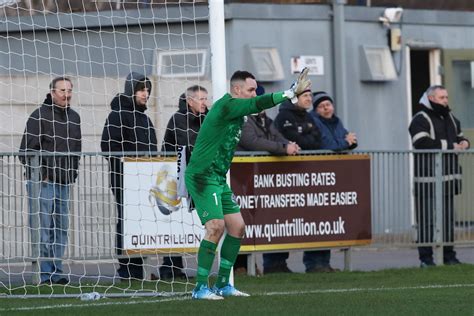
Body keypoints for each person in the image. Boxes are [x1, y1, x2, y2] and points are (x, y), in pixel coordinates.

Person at [185, 69, 310, 300]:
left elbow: (257, 113)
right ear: (237, 90)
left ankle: (223, 285)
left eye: (255, 90)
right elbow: (258, 104)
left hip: (218, 177)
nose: (254, 94)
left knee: (238, 227)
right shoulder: (227, 105)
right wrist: (289, 93)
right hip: (202, 175)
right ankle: (200, 288)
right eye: (250, 90)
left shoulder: (239, 112)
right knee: (215, 226)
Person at [19, 77, 82, 285]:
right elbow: (25, 151)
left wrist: (72, 172)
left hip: (64, 182)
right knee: (43, 228)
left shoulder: (74, 117)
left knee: (61, 228)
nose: (67, 94)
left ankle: (57, 271)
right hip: (43, 183)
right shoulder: (38, 116)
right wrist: (42, 172)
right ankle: (44, 273)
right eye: (62, 90)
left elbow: (76, 149)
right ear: (52, 92)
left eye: (70, 90)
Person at [235, 85, 300, 275]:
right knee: (241, 219)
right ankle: (240, 264)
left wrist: (288, 145)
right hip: (242, 177)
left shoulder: (266, 120)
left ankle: (264, 263)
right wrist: (282, 148)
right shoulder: (244, 120)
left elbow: (277, 137)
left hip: (260, 178)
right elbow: (252, 142)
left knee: (264, 219)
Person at [275, 88, 340, 273]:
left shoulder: (308, 117)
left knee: (318, 218)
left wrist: (306, 140)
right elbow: (296, 139)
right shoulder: (284, 117)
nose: (309, 99)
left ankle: (319, 263)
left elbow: (317, 141)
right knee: (280, 220)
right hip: (287, 177)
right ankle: (275, 264)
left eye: (310, 96)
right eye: (305, 96)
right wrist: (305, 139)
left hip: (312, 177)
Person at [101, 72, 158, 279]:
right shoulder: (117, 115)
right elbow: (108, 146)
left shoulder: (145, 118)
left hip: (145, 182)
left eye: (148, 90)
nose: (146, 94)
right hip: (124, 180)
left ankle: (139, 265)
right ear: (131, 91)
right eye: (142, 90)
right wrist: (131, 163)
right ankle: (126, 267)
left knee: (142, 222)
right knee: (126, 221)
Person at [409, 85, 469, 267]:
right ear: (432, 99)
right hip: (427, 179)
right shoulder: (420, 118)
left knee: (448, 220)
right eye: (442, 97)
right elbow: (421, 142)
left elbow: (460, 136)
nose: (446, 100)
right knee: (426, 221)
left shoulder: (450, 117)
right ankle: (426, 260)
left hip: (448, 179)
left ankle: (449, 257)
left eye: (447, 97)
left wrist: (465, 142)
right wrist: (451, 146)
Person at [160, 85, 209, 279]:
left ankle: (202, 268)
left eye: (206, 98)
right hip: (179, 176)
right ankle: (170, 267)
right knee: (175, 220)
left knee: (205, 222)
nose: (205, 102)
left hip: (204, 176)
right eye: (201, 99)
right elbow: (183, 145)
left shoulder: (208, 118)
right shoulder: (178, 119)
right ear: (190, 101)